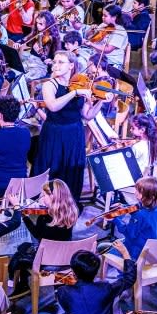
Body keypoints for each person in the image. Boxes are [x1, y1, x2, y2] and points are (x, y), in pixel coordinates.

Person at [34, 52, 98, 205]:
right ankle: (49, 203)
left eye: (60, 62)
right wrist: (75, 93)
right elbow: (53, 106)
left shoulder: (81, 83)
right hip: (55, 133)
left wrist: (102, 101)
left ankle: (68, 205)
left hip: (74, 133)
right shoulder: (50, 85)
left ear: (71, 65)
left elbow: (87, 115)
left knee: (71, 170)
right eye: (55, 62)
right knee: (53, 169)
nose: (55, 65)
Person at [111, 176, 157, 260]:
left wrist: (115, 219)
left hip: (136, 252)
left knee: (106, 250)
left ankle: (124, 271)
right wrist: (125, 206)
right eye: (136, 189)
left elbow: (129, 234)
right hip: (151, 248)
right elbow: (141, 208)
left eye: (139, 192)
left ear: (151, 196)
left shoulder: (140, 215)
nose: (135, 193)